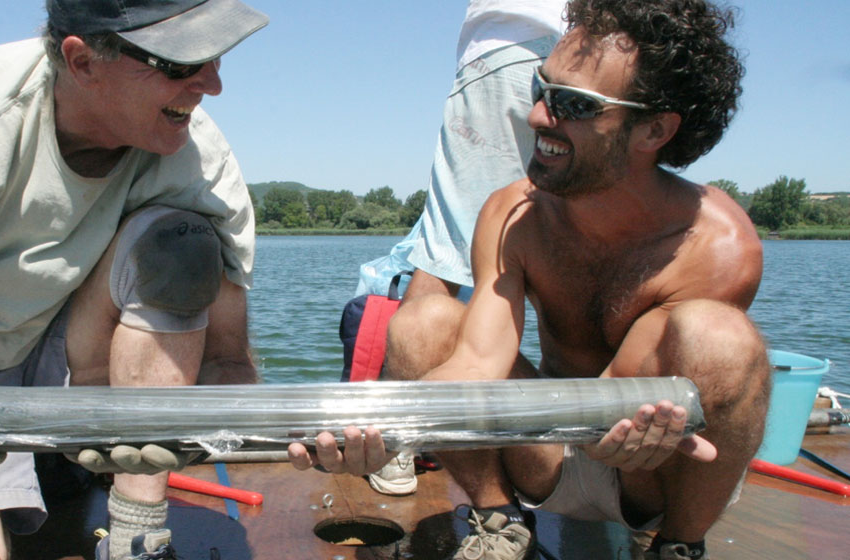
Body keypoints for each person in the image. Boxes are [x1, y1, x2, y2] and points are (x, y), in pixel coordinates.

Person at [310, 1, 770, 559]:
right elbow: (477, 360)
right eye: (540, 88)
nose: (536, 118)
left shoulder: (719, 247)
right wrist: (372, 424)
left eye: (573, 104)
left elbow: (621, 400)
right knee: (422, 323)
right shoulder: (512, 213)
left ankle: (677, 546)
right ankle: (499, 521)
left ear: (654, 129)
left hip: (654, 464)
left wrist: (627, 427)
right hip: (549, 452)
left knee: (722, 337)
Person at [0, 1, 267, 559]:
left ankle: (137, 522)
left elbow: (227, 359)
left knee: (180, 242)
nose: (213, 84)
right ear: (82, 61)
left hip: (79, 369)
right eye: (181, 64)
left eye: (216, 57)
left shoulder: (196, 154)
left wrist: (216, 429)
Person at [337, 0, 568, 496]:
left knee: (447, 250)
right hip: (578, 50)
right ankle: (403, 434)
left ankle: (395, 443)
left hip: (513, 47)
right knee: (551, 241)